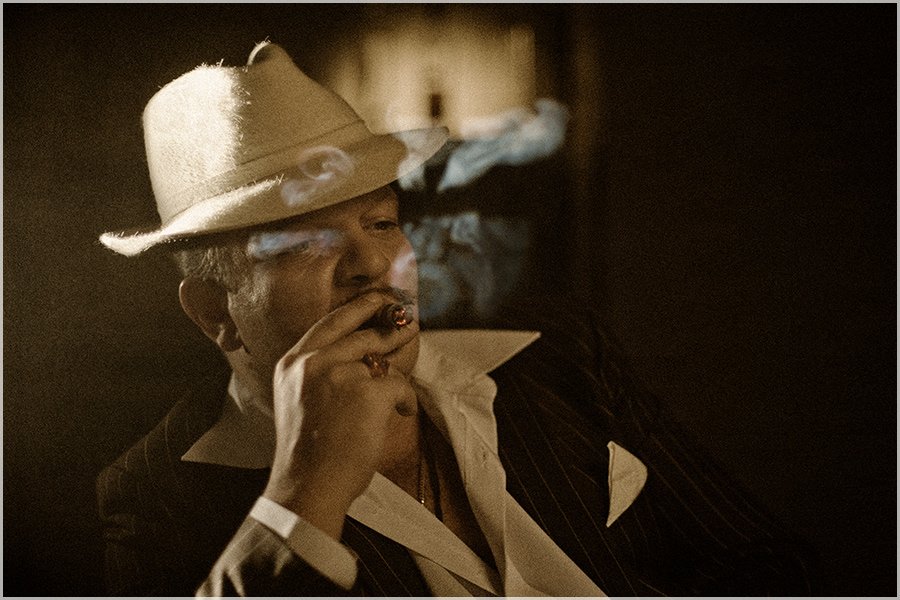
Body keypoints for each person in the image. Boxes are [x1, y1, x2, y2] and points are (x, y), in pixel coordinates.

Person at [97, 41, 816, 596]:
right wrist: (304, 491)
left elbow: (765, 563)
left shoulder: (561, 353)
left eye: (382, 223)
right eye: (305, 244)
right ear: (216, 313)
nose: (371, 265)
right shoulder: (157, 497)